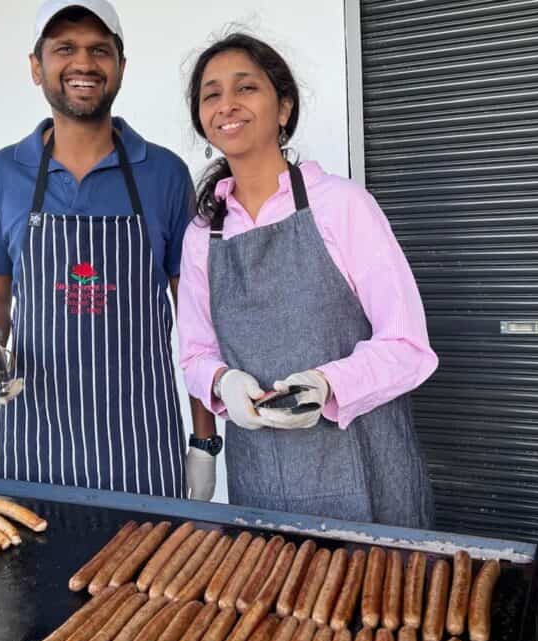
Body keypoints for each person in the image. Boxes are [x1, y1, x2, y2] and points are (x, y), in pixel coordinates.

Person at [177, 33, 438, 527]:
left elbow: (408, 344)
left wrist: (327, 385)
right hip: (261, 482)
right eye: (211, 94)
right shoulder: (201, 235)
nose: (227, 104)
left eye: (245, 88)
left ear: (283, 108)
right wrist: (222, 382)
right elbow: (194, 354)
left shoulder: (341, 205)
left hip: (368, 468)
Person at [0, 0, 219, 498]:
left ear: (120, 68)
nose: (83, 63)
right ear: (36, 66)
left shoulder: (164, 174)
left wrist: (204, 441)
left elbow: (197, 318)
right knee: (25, 573)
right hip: (32, 437)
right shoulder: (2, 174)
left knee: (143, 576)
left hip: (141, 438)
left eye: (99, 50)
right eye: (65, 48)